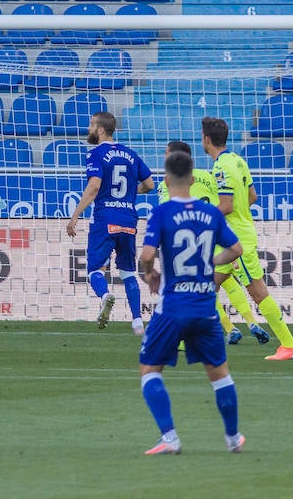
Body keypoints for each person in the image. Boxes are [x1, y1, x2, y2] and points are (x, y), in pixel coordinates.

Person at [137, 150, 245, 455]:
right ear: (194, 177)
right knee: (220, 375)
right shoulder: (210, 214)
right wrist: (211, 265)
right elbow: (235, 249)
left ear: (167, 179)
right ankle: (233, 437)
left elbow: (146, 255)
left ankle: (170, 438)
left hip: (172, 307)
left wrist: (150, 274)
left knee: (150, 370)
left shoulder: (161, 213)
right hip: (204, 306)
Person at [202, 117, 293, 361]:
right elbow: (252, 197)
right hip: (234, 236)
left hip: (235, 242)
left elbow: (225, 205)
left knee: (258, 292)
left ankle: (289, 345)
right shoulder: (238, 160)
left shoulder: (221, 168)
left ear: (206, 140)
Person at [157, 141, 269, 347]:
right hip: (212, 237)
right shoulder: (209, 176)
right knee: (225, 282)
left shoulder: (169, 182)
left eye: (166, 154)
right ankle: (248, 323)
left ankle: (193, 336)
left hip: (187, 240)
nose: (164, 159)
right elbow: (227, 204)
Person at [66, 111, 155, 335]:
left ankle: (105, 296)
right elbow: (150, 184)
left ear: (101, 130)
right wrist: (128, 195)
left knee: (96, 269)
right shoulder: (131, 154)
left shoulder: (95, 154)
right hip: (128, 220)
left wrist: (75, 215)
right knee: (128, 273)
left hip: (105, 218)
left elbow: (94, 186)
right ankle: (137, 323)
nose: (89, 129)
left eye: (91, 124)